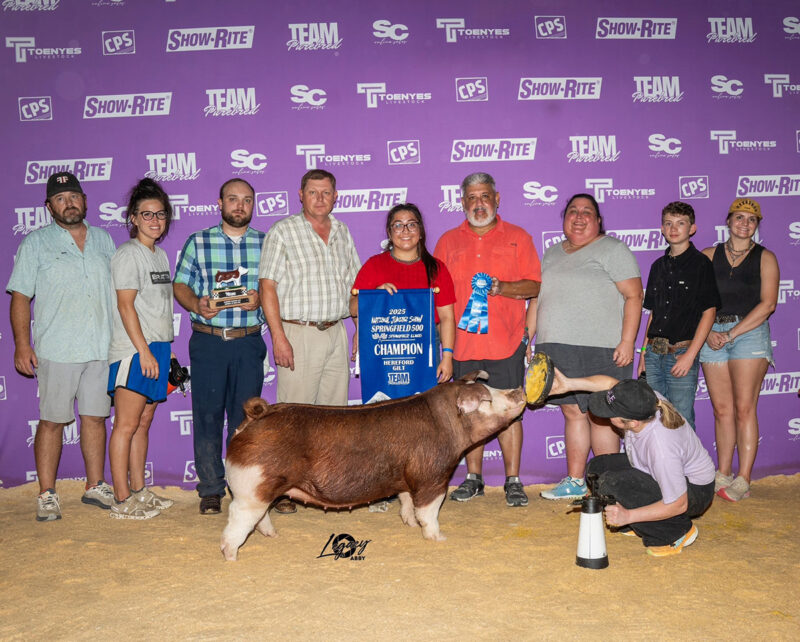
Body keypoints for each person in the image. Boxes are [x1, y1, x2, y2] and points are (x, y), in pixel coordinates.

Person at [7, 171, 116, 521]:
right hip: (57, 347)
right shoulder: (35, 243)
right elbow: (21, 297)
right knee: (52, 421)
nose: (68, 203)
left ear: (84, 201)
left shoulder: (104, 240)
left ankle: (95, 484)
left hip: (101, 346)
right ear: (49, 206)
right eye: (60, 198)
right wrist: (22, 344)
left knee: (96, 418)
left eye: (74, 196)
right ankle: (47, 492)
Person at [434, 172, 541, 507]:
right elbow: (440, 298)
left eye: (484, 197)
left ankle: (513, 480)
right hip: (463, 345)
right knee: (468, 413)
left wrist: (502, 288)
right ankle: (473, 478)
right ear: (462, 201)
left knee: (510, 411)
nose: (478, 204)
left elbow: (535, 286)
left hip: (506, 342)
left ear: (497, 199)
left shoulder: (519, 238)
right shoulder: (447, 241)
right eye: (471, 198)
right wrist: (444, 345)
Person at [259, 168, 361, 514]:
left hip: (336, 330)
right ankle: (283, 491)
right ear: (300, 195)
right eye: (313, 192)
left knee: (334, 418)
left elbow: (355, 286)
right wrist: (279, 336)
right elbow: (267, 286)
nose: (320, 198)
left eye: (326, 192)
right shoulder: (283, 231)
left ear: (336, 196)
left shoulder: (343, 232)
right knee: (293, 417)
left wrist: (359, 326)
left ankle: (327, 489)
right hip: (297, 331)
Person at [530, 193, 643, 500]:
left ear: (598, 220)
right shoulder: (551, 253)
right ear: (564, 218)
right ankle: (576, 481)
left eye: (587, 212)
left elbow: (634, 296)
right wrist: (529, 338)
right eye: (572, 211)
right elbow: (539, 300)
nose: (579, 217)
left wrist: (628, 341)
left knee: (602, 414)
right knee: (572, 413)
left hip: (602, 348)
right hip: (556, 346)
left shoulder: (613, 249)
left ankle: (608, 485)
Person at [173, 178, 266, 515]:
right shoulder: (198, 241)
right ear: (220, 202)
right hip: (209, 341)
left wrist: (258, 299)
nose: (239, 206)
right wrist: (197, 303)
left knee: (246, 420)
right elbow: (180, 284)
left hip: (248, 341)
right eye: (232, 199)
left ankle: (242, 487)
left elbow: (274, 290)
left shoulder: (266, 243)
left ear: (253, 205)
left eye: (246, 200)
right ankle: (211, 488)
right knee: (208, 416)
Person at [549, 370, 715, 557]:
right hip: (660, 474)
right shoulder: (645, 401)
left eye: (611, 413)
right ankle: (641, 521)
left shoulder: (661, 448)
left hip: (693, 492)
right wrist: (569, 384)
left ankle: (676, 532)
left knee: (613, 482)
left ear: (633, 423)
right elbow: (610, 382)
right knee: (597, 469)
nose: (605, 414)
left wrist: (629, 515)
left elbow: (678, 504)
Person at [699, 198, 779, 502]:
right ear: (728, 221)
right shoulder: (707, 255)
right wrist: (707, 333)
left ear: (757, 225)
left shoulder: (765, 257)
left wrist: (730, 332)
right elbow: (696, 299)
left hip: (749, 335)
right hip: (712, 334)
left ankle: (744, 478)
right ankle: (723, 473)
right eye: (739, 217)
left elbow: (768, 304)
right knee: (722, 410)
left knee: (745, 408)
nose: (744, 224)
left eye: (751, 219)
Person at [106, 178, 175, 520]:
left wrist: (165, 351)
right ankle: (121, 498)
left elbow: (157, 308)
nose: (154, 220)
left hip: (156, 348)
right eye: (146, 214)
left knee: (143, 423)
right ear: (133, 218)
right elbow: (126, 307)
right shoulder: (127, 254)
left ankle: (139, 490)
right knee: (126, 424)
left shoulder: (159, 254)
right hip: (133, 352)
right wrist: (144, 351)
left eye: (160, 214)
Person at [350, 203, 456, 384]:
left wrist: (447, 356)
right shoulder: (374, 265)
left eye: (411, 224)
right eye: (398, 225)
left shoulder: (436, 268)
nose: (405, 230)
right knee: (386, 405)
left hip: (425, 345)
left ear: (420, 231)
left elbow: (447, 317)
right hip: (383, 346)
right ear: (390, 233)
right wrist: (375, 295)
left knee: (424, 407)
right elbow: (353, 309)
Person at [638, 201, 720, 431]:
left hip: (682, 353)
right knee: (653, 417)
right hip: (654, 352)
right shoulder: (657, 266)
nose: (674, 228)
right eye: (668, 223)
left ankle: (686, 468)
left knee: (681, 418)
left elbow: (709, 312)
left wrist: (690, 355)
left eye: (680, 223)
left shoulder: (701, 264)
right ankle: (660, 468)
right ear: (662, 229)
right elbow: (654, 314)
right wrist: (643, 353)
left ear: (692, 228)